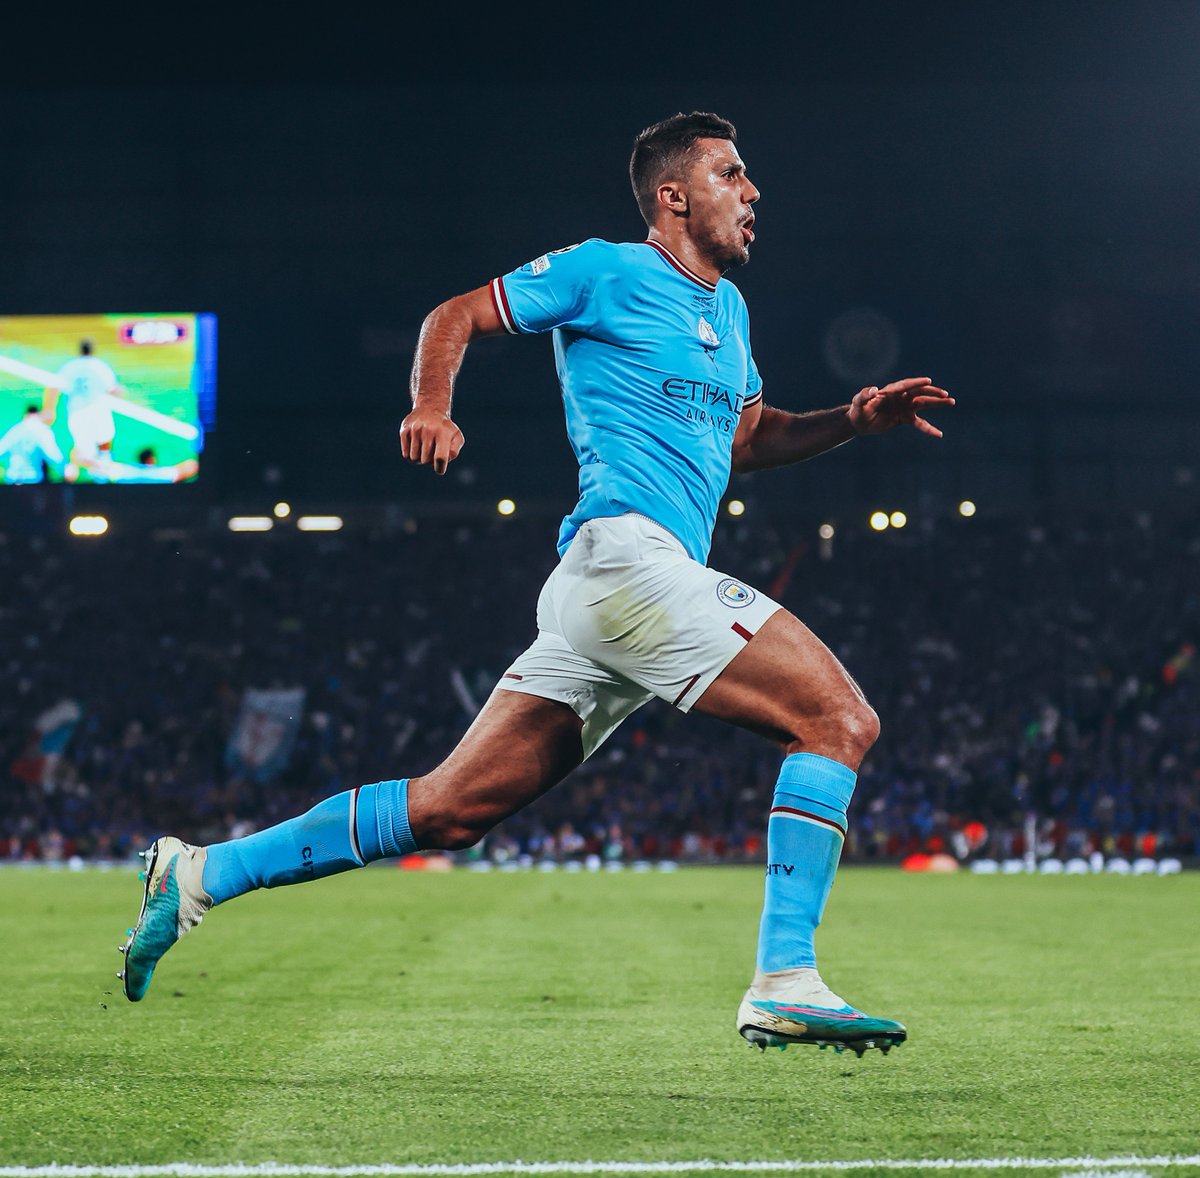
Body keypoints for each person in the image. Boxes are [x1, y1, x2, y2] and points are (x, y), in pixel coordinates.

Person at [119, 111, 954, 1057]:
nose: (752, 191)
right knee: (839, 719)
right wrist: (432, 405)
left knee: (451, 809)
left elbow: (750, 440)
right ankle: (786, 980)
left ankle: (198, 874)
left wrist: (851, 419)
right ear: (673, 197)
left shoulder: (728, 312)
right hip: (627, 563)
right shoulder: (607, 269)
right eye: (730, 173)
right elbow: (455, 315)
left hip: (617, 591)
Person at [41, 338, 126, 477]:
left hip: (77, 412)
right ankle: (102, 467)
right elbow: (113, 389)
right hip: (98, 410)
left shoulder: (71, 366)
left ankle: (75, 471)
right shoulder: (99, 366)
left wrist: (49, 409)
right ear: (92, 350)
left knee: (82, 449)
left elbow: (54, 387)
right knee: (104, 441)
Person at [0, 404, 71, 483]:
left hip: (12, 479)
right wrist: (65, 468)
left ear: (26, 415)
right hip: (33, 480)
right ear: (38, 414)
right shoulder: (42, 430)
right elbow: (52, 454)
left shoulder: (15, 430)